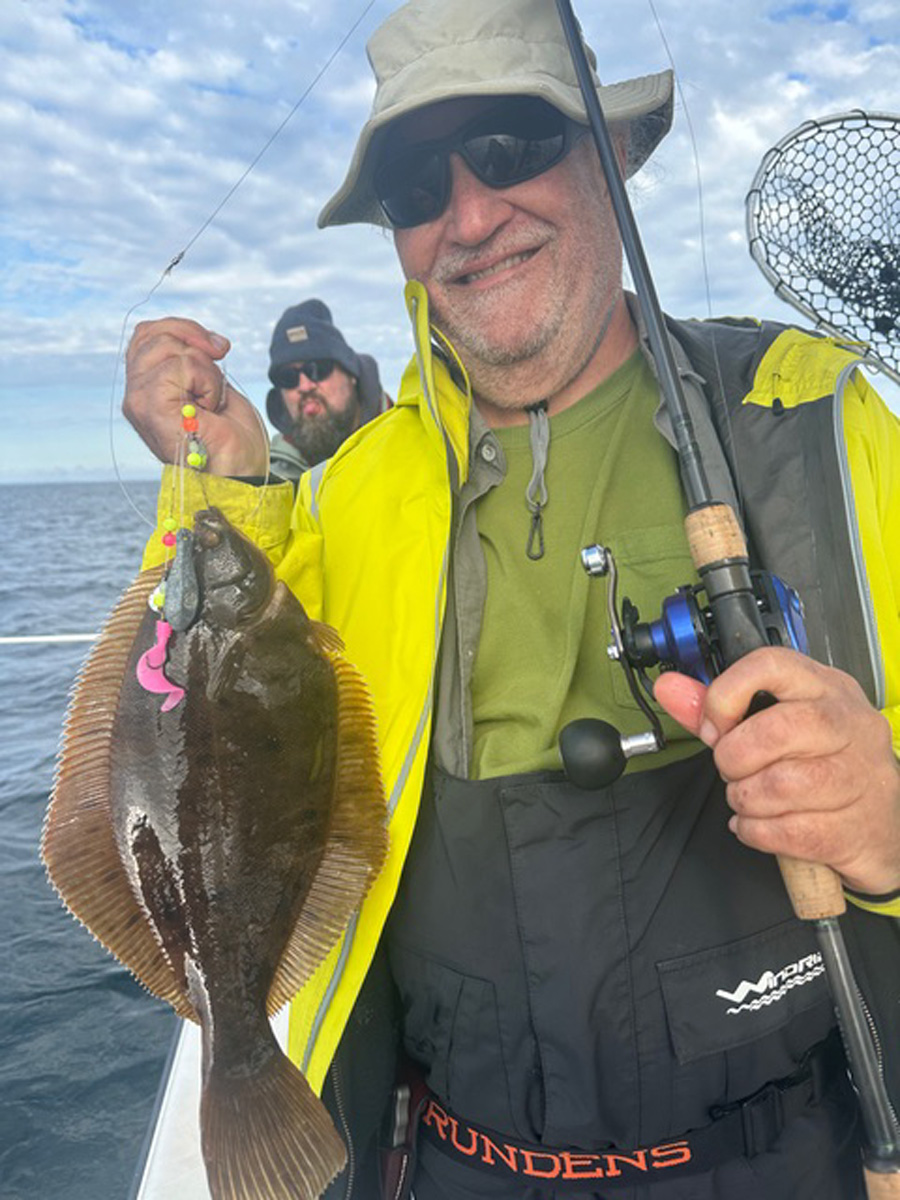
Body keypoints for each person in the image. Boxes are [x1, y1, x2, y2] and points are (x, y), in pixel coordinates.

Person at [122, 1, 900, 1197]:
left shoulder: (819, 424)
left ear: (615, 156)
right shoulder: (344, 491)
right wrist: (215, 488)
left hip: (791, 1152)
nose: (470, 216)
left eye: (509, 147)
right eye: (414, 188)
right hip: (451, 1159)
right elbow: (188, 722)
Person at [265, 298, 390, 483]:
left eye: (317, 369)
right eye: (288, 377)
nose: (305, 386)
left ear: (351, 374)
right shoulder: (268, 481)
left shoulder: (408, 443)